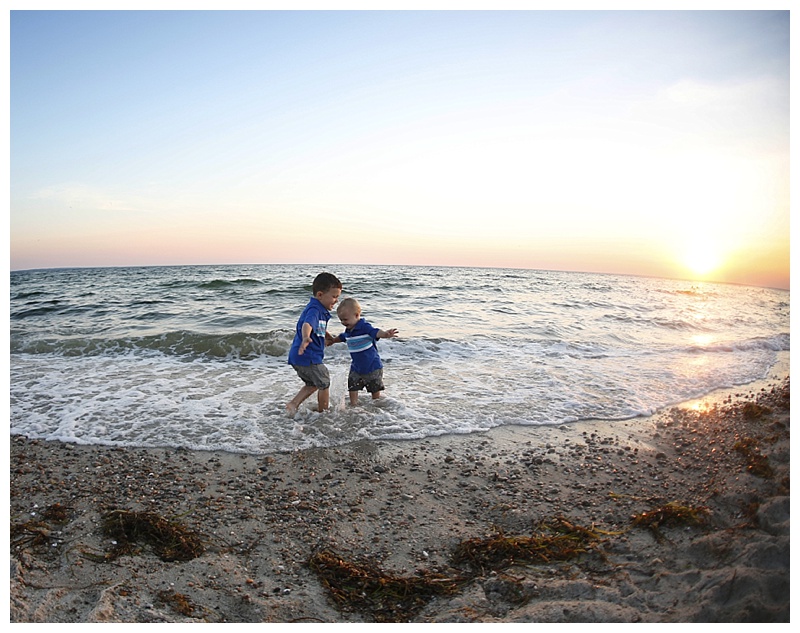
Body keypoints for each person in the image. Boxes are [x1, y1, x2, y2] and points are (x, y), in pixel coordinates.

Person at [286, 272, 342, 415]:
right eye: (334, 296)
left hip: (298, 357)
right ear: (320, 295)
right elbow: (308, 324)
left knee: (312, 384)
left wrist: (328, 336)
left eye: (338, 297)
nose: (336, 300)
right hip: (308, 356)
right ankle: (324, 413)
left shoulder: (319, 309)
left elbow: (317, 327)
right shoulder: (315, 309)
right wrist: (306, 337)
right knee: (324, 382)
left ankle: (293, 404)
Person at [330, 297, 398, 405]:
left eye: (345, 319)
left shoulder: (364, 327)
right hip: (356, 367)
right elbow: (343, 337)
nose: (343, 322)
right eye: (341, 320)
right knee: (352, 386)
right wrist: (333, 340)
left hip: (372, 367)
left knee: (374, 389)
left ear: (357, 315)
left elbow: (375, 332)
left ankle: (376, 405)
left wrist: (385, 334)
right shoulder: (348, 330)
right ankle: (353, 405)